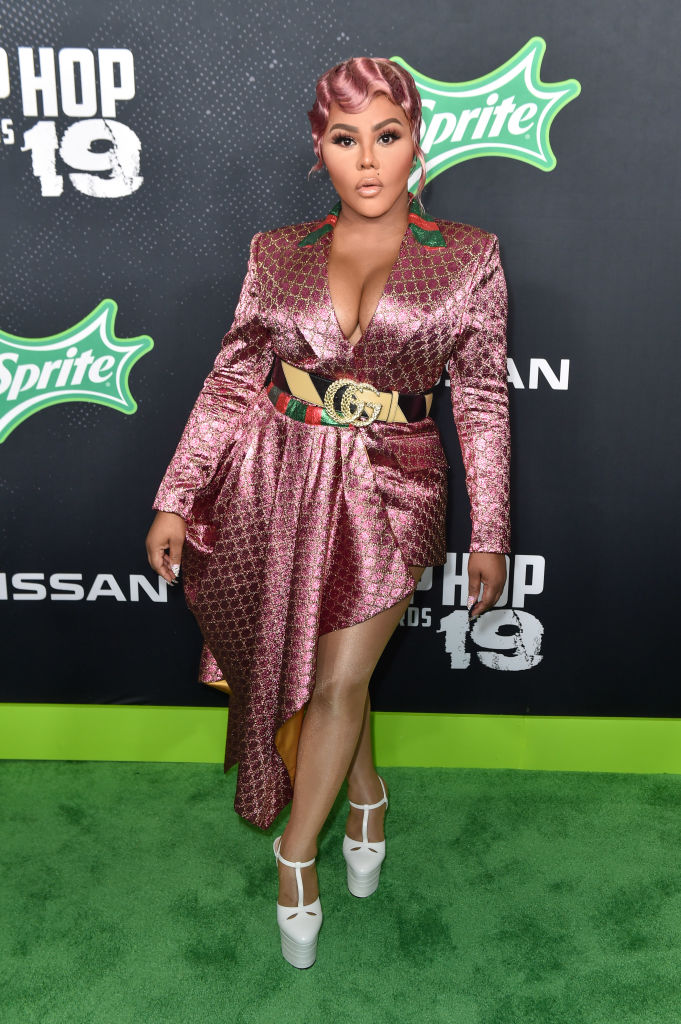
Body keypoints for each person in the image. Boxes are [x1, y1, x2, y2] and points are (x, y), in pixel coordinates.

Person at [146, 56, 510, 969]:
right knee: (321, 673)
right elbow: (232, 380)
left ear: (417, 139)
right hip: (278, 475)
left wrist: (491, 531)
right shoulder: (276, 251)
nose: (369, 159)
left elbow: (480, 400)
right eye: (346, 139)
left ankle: (295, 855)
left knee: (341, 679)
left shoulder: (468, 255)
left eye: (387, 134)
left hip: (397, 486)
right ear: (320, 149)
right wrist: (177, 495)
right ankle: (367, 792)